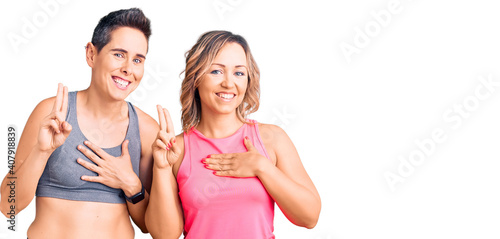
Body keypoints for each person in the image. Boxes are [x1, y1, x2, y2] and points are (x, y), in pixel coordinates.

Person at [0, 8, 158, 238]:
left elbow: (149, 226)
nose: (128, 68)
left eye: (137, 59)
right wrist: (42, 151)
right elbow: (7, 205)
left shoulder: (146, 129)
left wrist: (132, 185)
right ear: (91, 54)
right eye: (118, 54)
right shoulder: (53, 113)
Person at [146, 30, 321, 238]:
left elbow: (310, 217)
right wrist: (162, 168)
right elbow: (164, 235)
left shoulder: (272, 139)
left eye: (239, 73)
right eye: (216, 71)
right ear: (196, 78)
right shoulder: (176, 149)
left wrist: (261, 167)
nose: (229, 83)